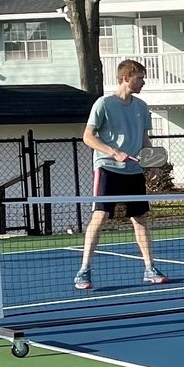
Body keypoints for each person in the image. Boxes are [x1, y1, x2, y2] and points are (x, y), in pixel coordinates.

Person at [74, 58, 166, 291]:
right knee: (100, 216)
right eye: (140, 78)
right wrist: (113, 152)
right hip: (107, 168)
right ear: (126, 78)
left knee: (140, 219)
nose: (143, 82)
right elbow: (88, 137)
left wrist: (153, 164)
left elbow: (144, 140)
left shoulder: (141, 107)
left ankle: (150, 268)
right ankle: (84, 270)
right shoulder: (103, 104)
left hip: (133, 171)